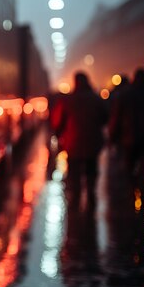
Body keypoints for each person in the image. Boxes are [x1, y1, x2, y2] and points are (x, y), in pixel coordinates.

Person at [51, 72, 108, 212]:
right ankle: (90, 199)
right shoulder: (95, 98)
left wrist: (58, 136)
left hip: (73, 144)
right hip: (92, 143)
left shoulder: (67, 100)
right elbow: (105, 118)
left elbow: (58, 122)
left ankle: (75, 202)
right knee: (91, 171)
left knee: (74, 173)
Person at [109, 68, 144, 203]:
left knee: (129, 166)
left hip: (128, 138)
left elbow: (117, 117)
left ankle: (132, 190)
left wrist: (113, 136)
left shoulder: (125, 95)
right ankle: (143, 194)